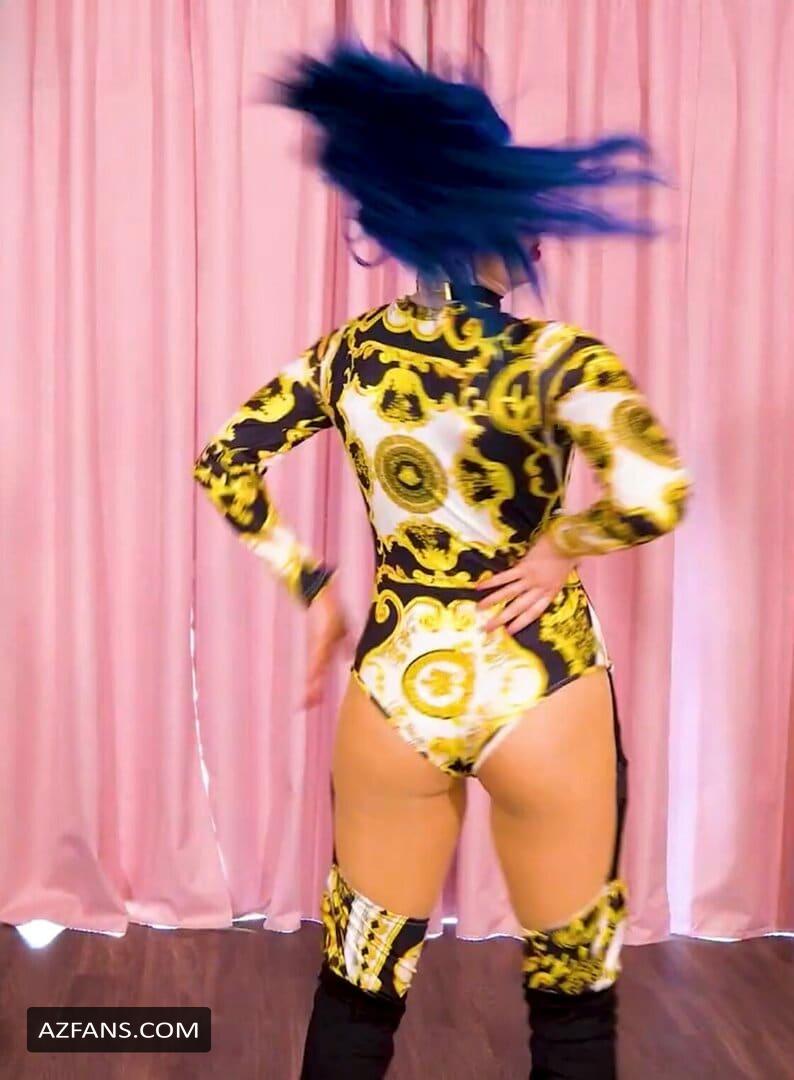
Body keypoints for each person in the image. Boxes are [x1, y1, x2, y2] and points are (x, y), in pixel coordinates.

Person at [193, 43, 692, 1080]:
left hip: (396, 685)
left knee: (357, 995)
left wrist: (314, 590)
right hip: (541, 682)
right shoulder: (560, 360)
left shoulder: (347, 355)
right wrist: (562, 544)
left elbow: (226, 461)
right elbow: (656, 495)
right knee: (571, 1014)